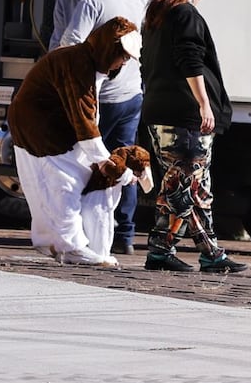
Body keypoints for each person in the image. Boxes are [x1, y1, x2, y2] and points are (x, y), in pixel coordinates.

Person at [11, 17, 150, 266]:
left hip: (49, 128)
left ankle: (60, 241)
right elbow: (83, 117)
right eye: (124, 55)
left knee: (65, 182)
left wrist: (99, 157)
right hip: (44, 131)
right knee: (64, 184)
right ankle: (71, 246)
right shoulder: (78, 64)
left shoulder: (84, 61)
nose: (125, 61)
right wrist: (104, 160)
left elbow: (85, 115)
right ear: (111, 49)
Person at [139, 0, 246, 274]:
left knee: (186, 187)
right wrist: (204, 104)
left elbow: (147, 63)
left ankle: (183, 252)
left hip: (160, 112)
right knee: (186, 188)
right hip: (183, 115)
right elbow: (190, 59)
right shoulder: (185, 14)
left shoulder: (156, 15)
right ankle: (194, 253)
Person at [61, 0, 149, 254]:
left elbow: (70, 44)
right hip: (132, 96)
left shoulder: (92, 1)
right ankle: (124, 235)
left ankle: (81, 232)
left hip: (102, 98)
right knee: (126, 163)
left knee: (83, 163)